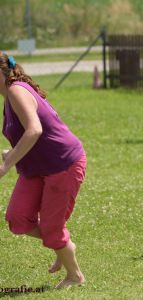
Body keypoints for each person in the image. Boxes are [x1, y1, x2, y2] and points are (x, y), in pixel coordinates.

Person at [0, 51, 86, 289]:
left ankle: (74, 275)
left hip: (63, 164)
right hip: (37, 168)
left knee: (51, 227)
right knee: (18, 219)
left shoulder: (16, 89)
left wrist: (6, 165)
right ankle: (61, 242)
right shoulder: (8, 97)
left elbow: (34, 130)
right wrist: (12, 153)